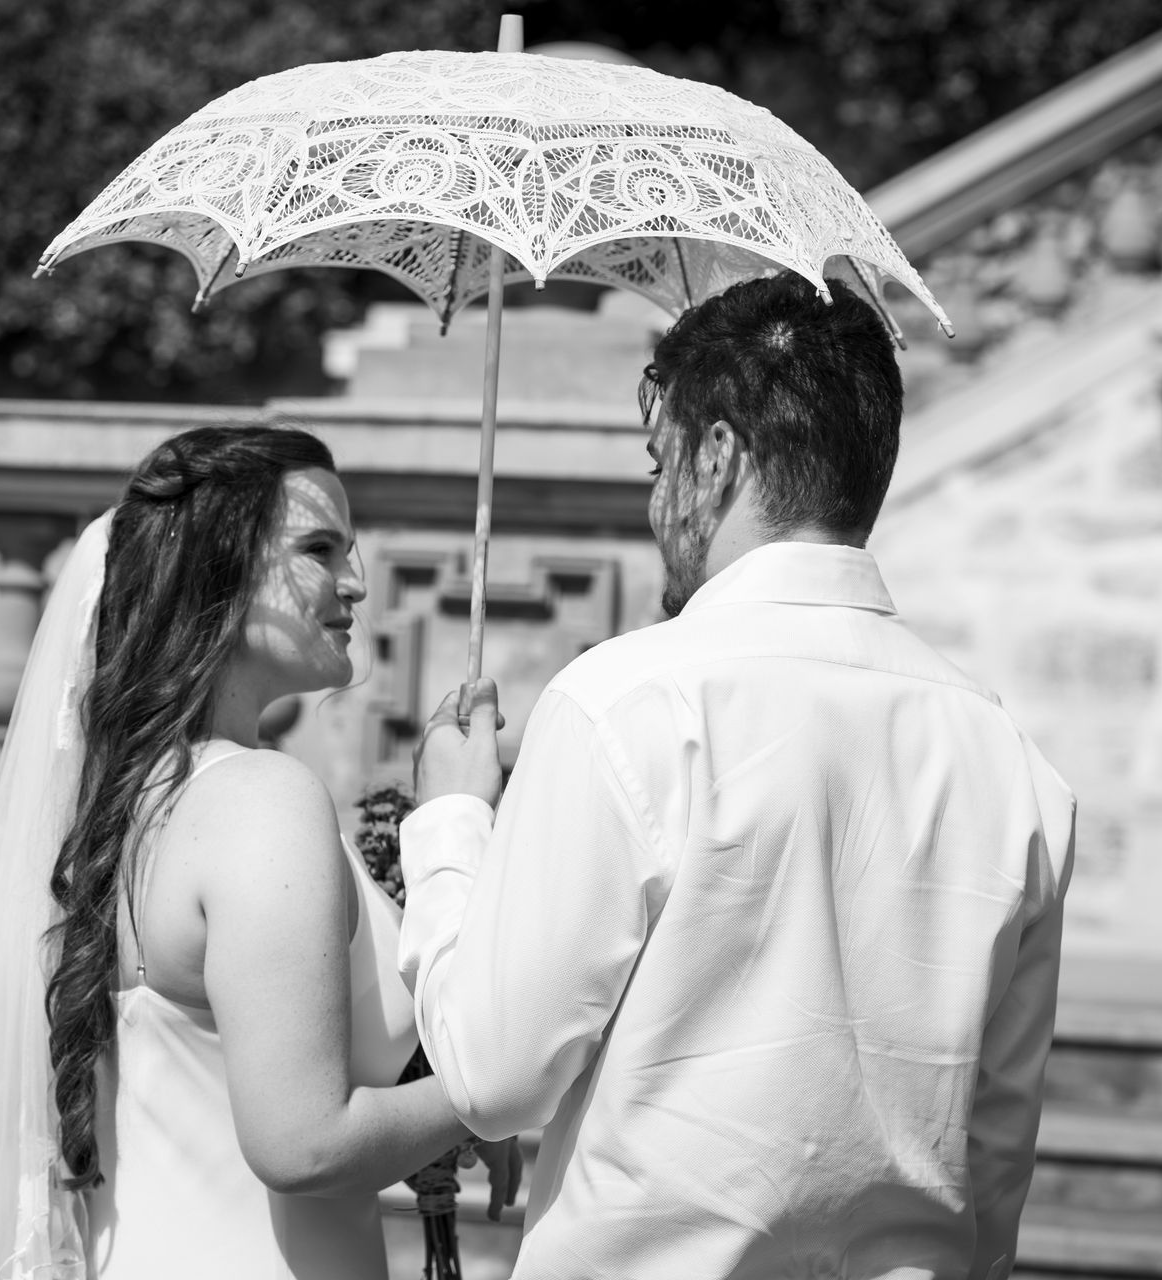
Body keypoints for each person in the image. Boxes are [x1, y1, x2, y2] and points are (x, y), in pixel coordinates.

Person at [399, 273, 1076, 1280]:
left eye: (656, 458)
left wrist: (452, 817)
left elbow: (496, 1075)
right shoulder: (1012, 761)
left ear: (715, 457)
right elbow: (995, 1156)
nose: (653, 495)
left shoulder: (627, 703)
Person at [0, 425, 509, 1280]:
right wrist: (490, 1087)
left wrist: (413, 1116)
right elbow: (303, 1145)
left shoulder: (124, 798)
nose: (357, 582)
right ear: (220, 570)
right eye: (318, 549)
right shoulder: (259, 801)